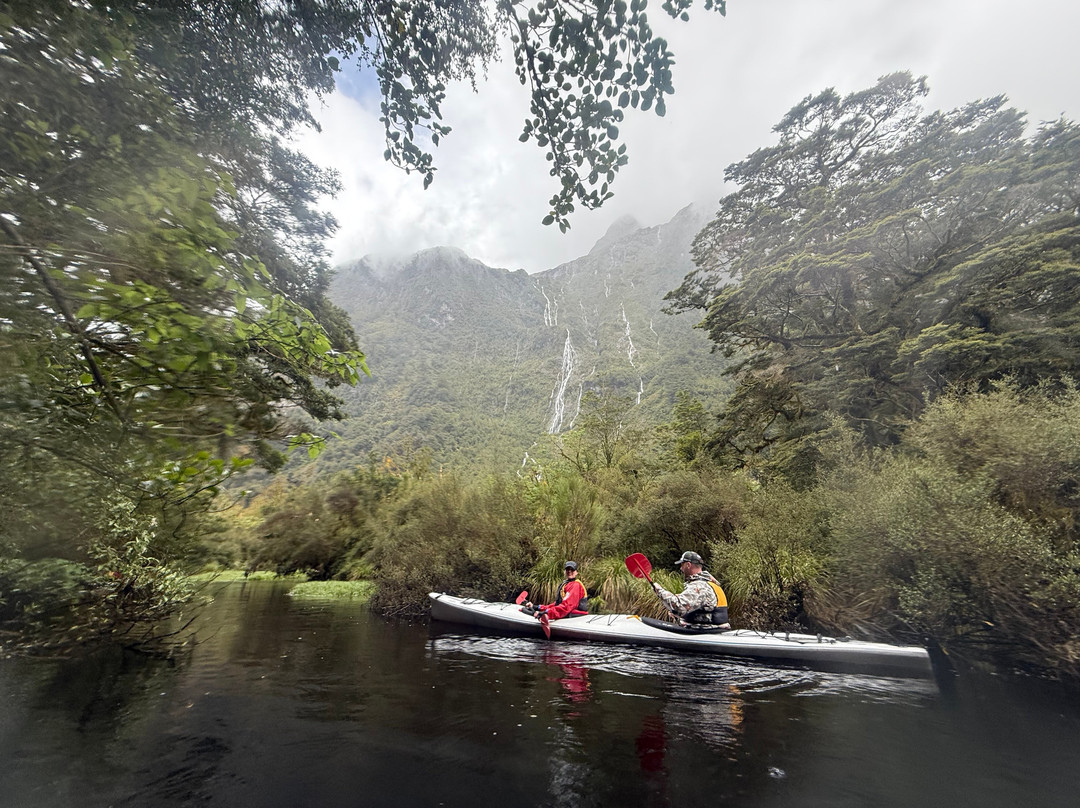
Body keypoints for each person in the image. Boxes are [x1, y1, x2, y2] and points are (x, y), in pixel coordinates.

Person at [651, 551, 730, 629]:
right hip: (716, 629)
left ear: (688, 565)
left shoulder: (699, 586)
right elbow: (697, 608)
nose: (681, 568)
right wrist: (676, 614)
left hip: (706, 632)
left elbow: (679, 607)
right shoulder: (710, 583)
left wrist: (659, 591)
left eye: (682, 565)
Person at [525, 561, 590, 620]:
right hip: (568, 613)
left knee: (536, 613)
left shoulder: (576, 585)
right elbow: (558, 604)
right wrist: (538, 607)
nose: (569, 571)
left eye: (572, 569)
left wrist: (547, 613)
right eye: (567, 569)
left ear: (576, 572)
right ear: (564, 571)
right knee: (529, 611)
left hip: (576, 615)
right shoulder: (566, 584)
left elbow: (567, 606)